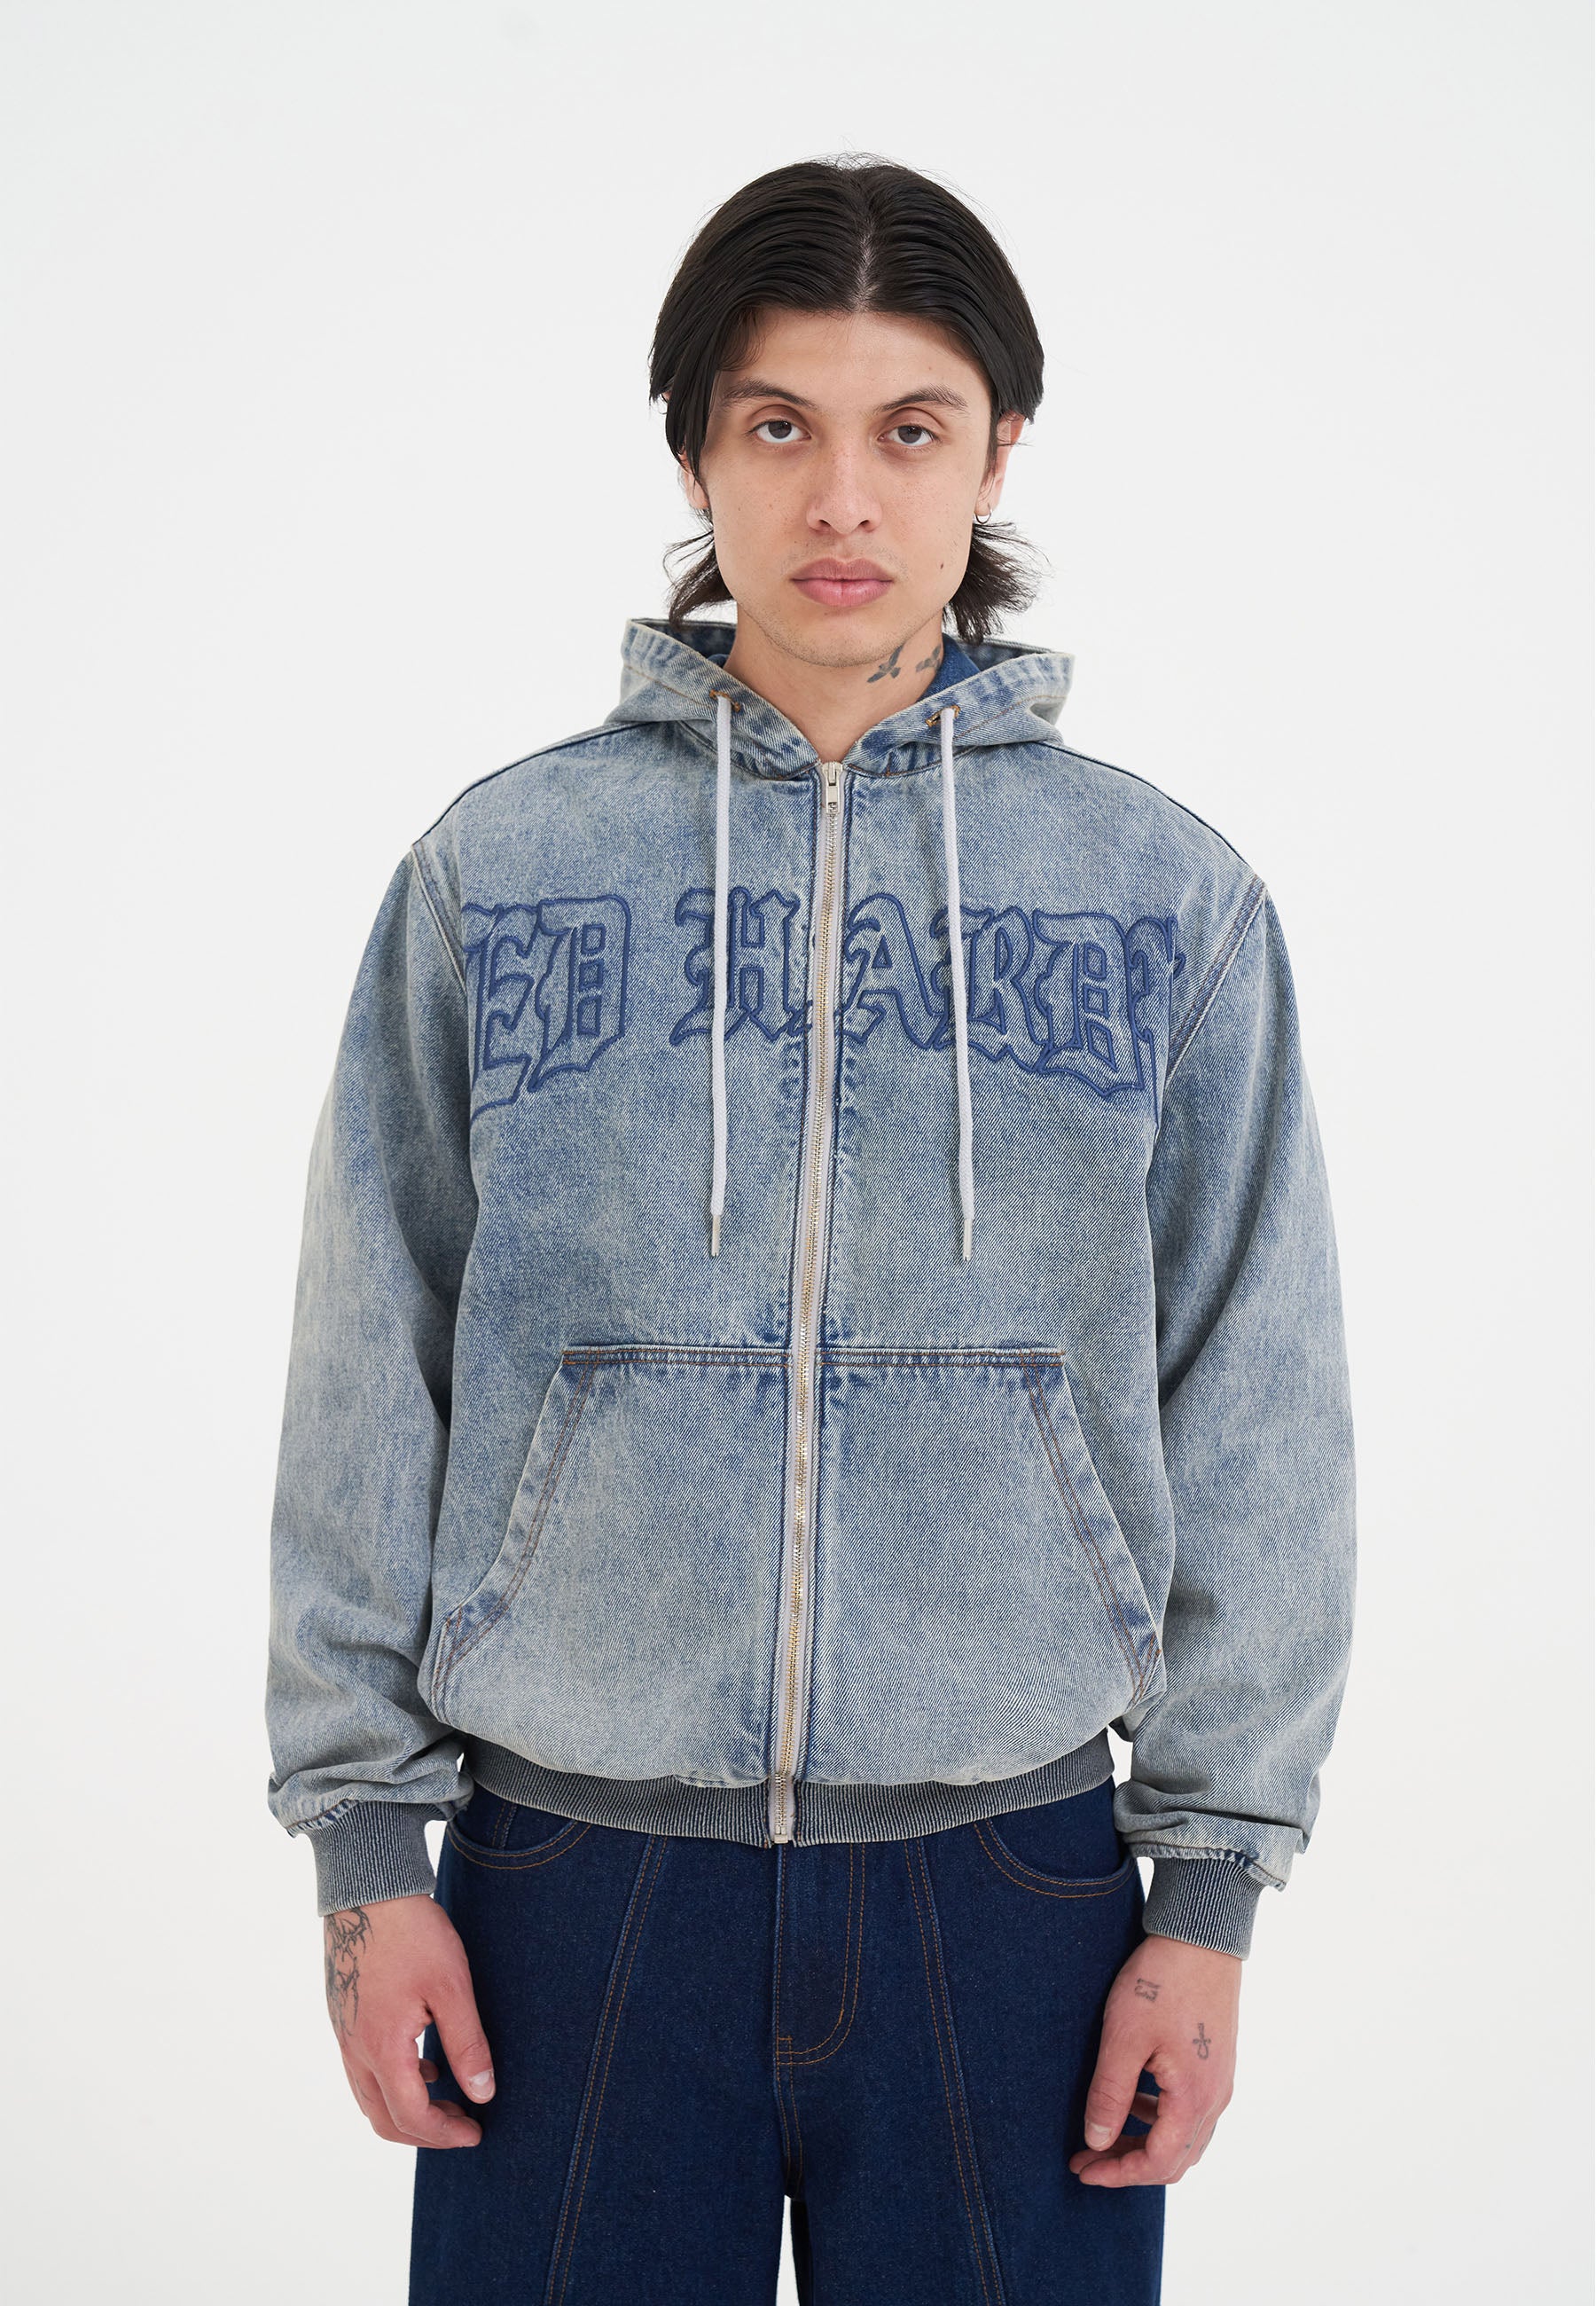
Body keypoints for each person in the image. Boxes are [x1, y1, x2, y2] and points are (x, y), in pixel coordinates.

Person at [265, 156, 1357, 2304]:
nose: (842, 497)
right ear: (695, 450)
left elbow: (1263, 1408)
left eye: (908, 428)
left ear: (997, 450)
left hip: (1013, 1889)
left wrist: (1213, 1892)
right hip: (568, 1881)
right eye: (779, 424)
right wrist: (367, 1850)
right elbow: (365, 1359)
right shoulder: (501, 875)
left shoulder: (1168, 906)